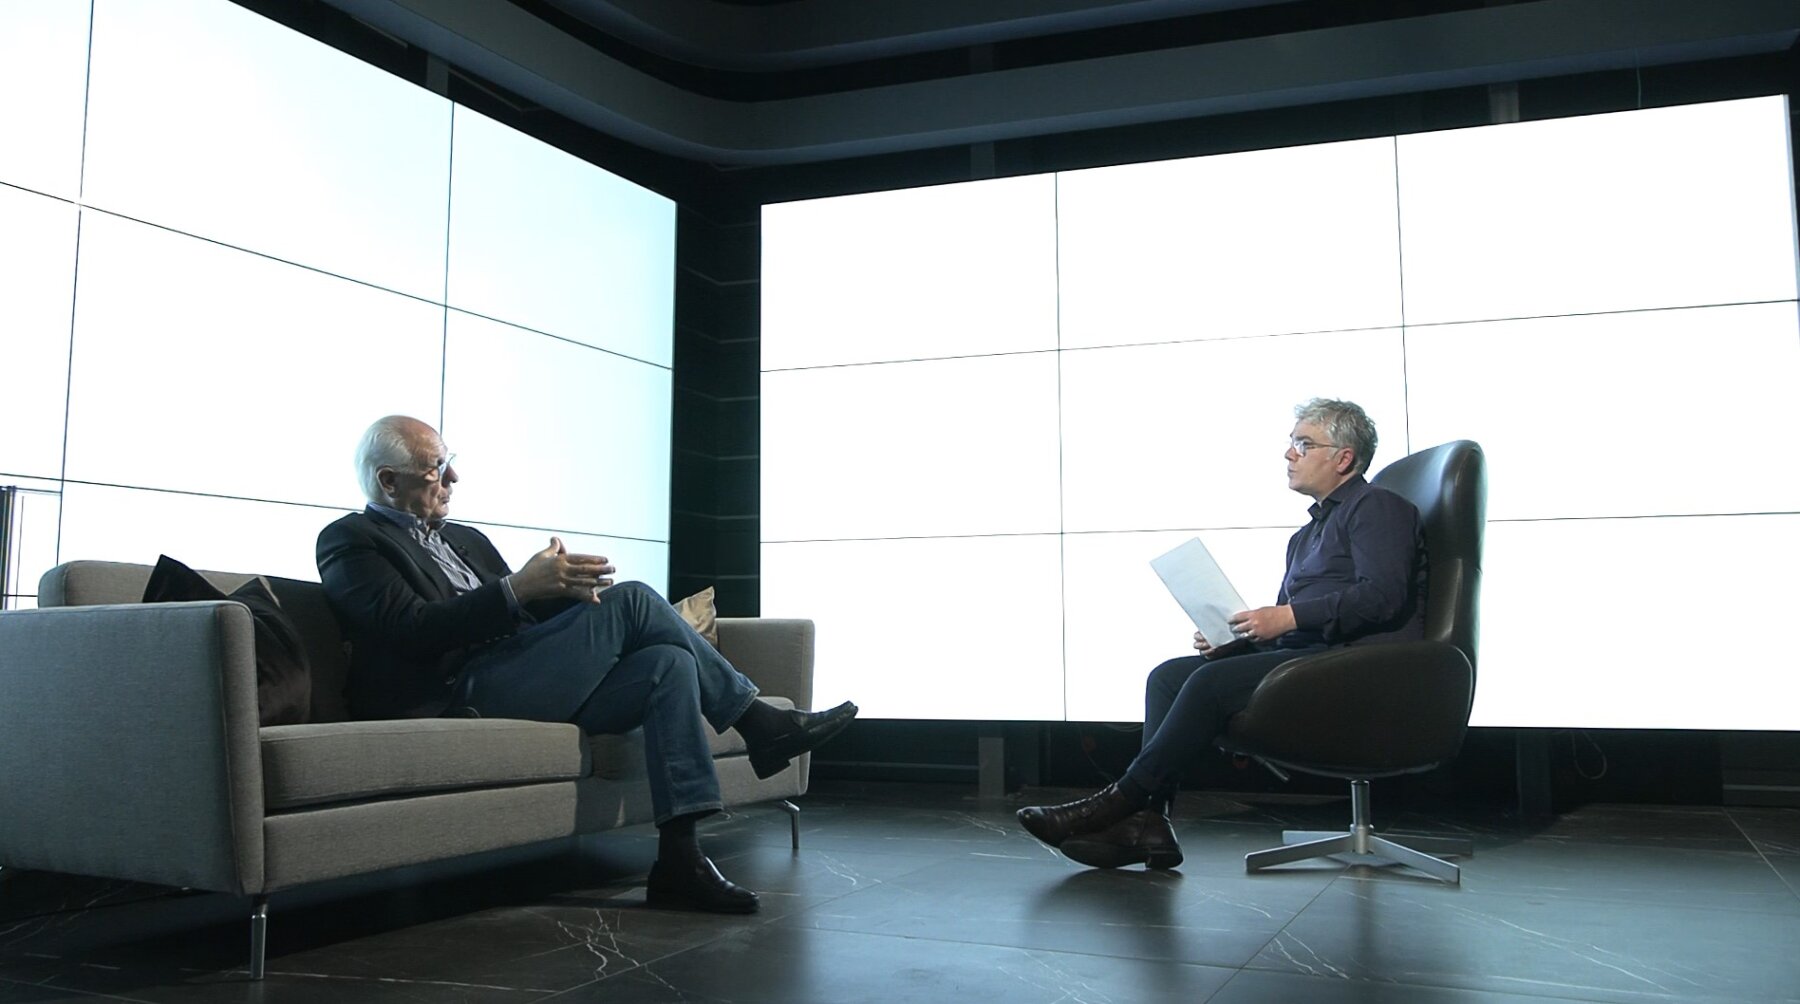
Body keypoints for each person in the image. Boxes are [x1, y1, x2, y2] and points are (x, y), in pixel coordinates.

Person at [317, 415, 857, 913]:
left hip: (523, 672)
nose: (452, 477)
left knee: (668, 661)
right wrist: (517, 587)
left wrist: (565, 591)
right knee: (636, 599)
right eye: (436, 467)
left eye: (448, 462)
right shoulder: (351, 541)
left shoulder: (465, 539)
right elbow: (411, 628)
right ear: (389, 482)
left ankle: (680, 861)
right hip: (462, 690)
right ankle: (759, 722)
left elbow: (519, 614)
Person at [1017, 398, 1425, 869]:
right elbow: (1296, 628)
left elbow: (1382, 596)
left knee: (1208, 684)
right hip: (1308, 656)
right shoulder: (1304, 536)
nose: (1289, 454)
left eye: (1303, 444)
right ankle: (1150, 824)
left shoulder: (1378, 506)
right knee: (1168, 677)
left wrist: (1288, 617)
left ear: (1344, 458)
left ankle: (1115, 803)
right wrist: (1242, 639)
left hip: (1358, 665)